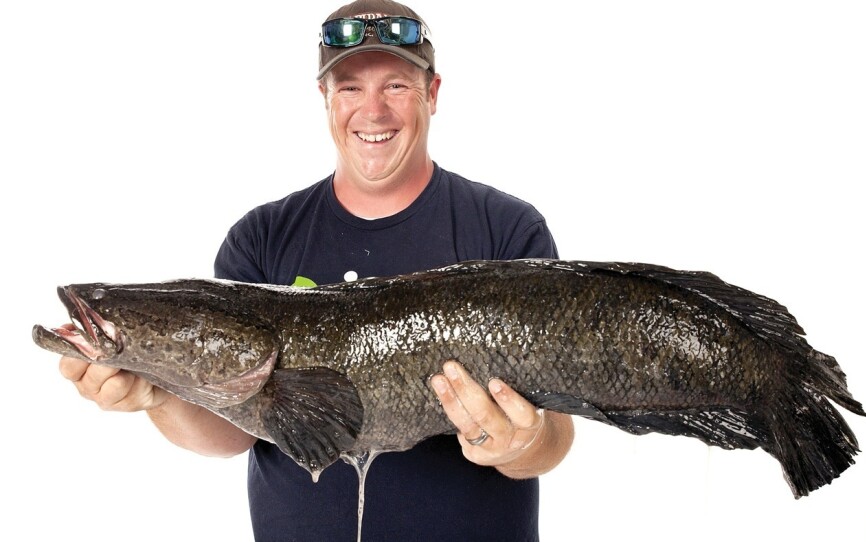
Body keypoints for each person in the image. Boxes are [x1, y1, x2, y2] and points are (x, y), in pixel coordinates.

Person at [58, 0, 575, 540]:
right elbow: (231, 434)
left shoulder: (506, 230)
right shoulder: (260, 237)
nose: (372, 111)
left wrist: (525, 444)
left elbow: (556, 436)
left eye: (396, 85)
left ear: (433, 93)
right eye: (350, 87)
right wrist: (157, 395)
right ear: (325, 97)